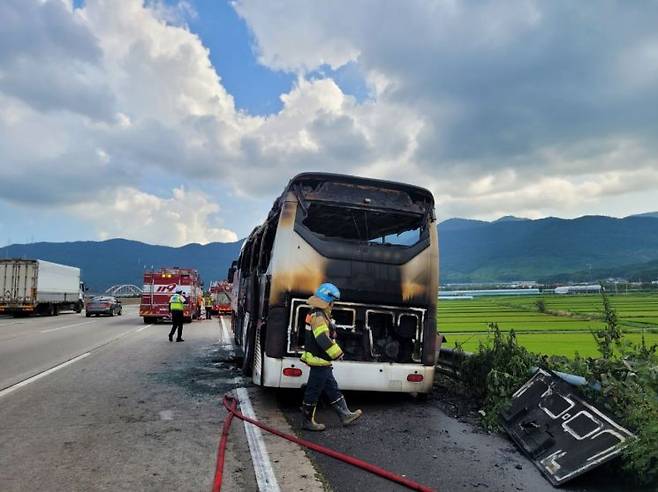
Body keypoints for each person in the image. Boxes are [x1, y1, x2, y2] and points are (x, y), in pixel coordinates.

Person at [300, 283, 363, 431]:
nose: (333, 305)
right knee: (313, 392)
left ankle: (345, 415)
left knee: (332, 388)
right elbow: (322, 338)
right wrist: (337, 353)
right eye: (332, 302)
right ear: (327, 301)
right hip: (319, 361)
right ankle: (307, 421)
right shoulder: (319, 317)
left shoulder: (318, 314)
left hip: (323, 362)